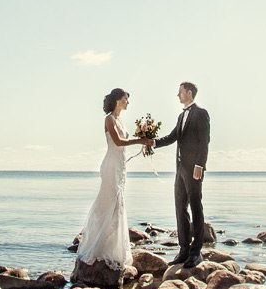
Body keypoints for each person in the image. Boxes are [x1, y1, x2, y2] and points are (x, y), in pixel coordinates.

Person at [75, 87, 150, 274]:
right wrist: (141, 141)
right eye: (126, 98)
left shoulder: (120, 120)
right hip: (110, 165)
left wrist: (143, 139)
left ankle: (113, 249)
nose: (128, 102)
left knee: (117, 206)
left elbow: (125, 140)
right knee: (107, 203)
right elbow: (118, 142)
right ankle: (97, 248)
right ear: (118, 99)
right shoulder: (109, 119)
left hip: (120, 166)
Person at [153, 81, 210, 268]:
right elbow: (172, 137)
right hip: (179, 170)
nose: (178, 95)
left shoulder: (201, 113)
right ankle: (184, 250)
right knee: (180, 209)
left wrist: (199, 166)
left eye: (180, 92)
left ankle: (196, 253)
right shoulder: (180, 116)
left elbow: (204, 142)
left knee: (196, 208)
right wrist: (151, 143)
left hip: (194, 169)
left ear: (189, 93)